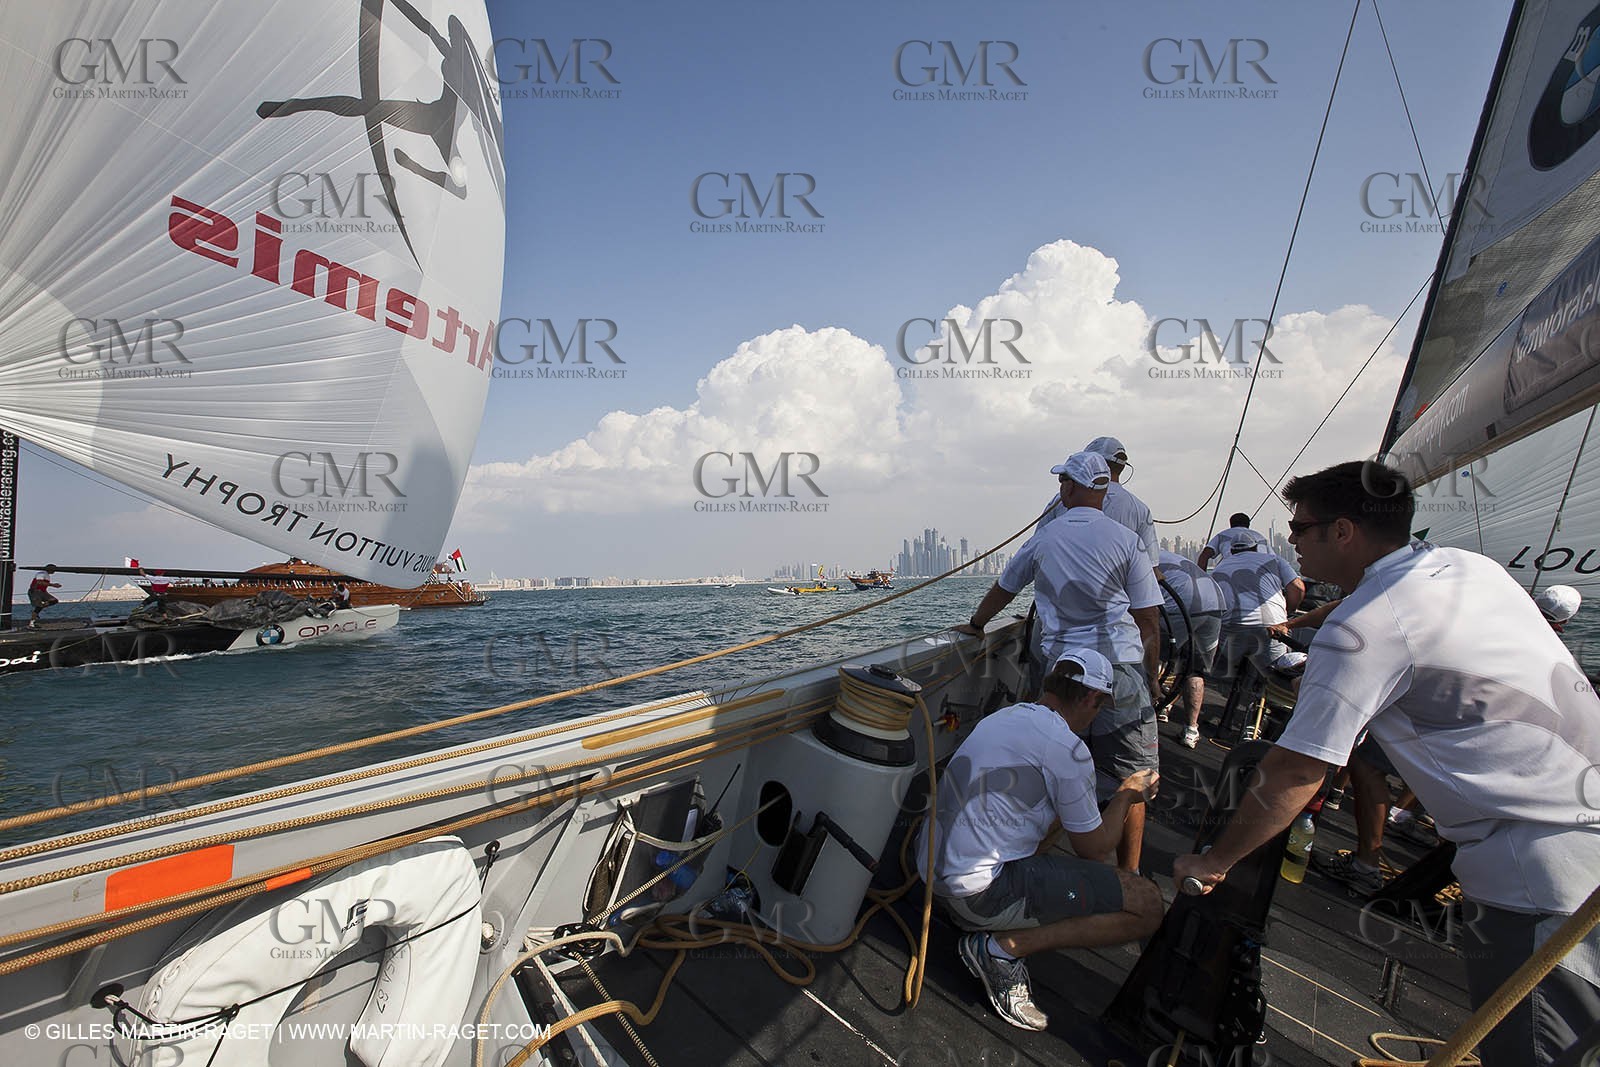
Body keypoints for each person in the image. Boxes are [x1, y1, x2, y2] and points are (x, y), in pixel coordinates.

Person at [1174, 460, 1600, 1067]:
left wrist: (1215, 861)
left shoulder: (1362, 629)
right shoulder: (1468, 568)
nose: (1290, 538)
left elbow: (1297, 772)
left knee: (1533, 1048)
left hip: (1536, 875)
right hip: (1584, 830)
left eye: (1301, 526)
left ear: (1342, 532)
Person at [919, 648, 1163, 1031]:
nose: (1096, 715)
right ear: (1089, 698)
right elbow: (1095, 850)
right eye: (1099, 706)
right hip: (974, 897)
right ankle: (999, 950)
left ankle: (993, 926)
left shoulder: (1004, 717)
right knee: (1146, 905)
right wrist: (1127, 794)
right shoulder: (1068, 750)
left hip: (933, 871)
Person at [957, 451, 1163, 872]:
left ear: (1070, 487)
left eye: (1062, 482)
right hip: (1119, 668)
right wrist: (1151, 677)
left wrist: (977, 625)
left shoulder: (1045, 538)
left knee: (1053, 762)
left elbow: (1005, 589)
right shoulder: (1127, 540)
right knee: (1133, 775)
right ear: (1105, 489)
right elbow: (1148, 620)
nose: (1060, 489)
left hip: (1065, 670)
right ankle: (1131, 876)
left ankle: (1033, 859)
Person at [1041, 436, 1161, 575]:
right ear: (1122, 466)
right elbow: (1151, 569)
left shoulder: (1065, 497)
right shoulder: (1140, 509)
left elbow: (1039, 545)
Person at [1156, 550, 1224, 748]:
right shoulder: (1169, 556)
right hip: (1214, 603)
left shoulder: (1138, 556)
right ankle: (1191, 729)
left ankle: (1150, 709)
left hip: (1179, 605)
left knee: (1151, 654)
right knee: (1194, 669)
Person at [1197, 513, 1269, 570]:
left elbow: (1204, 556)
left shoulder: (1223, 535)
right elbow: (1273, 559)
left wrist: (1201, 578)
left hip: (1230, 569)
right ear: (1248, 524)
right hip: (1260, 570)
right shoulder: (1260, 537)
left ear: (1231, 524)